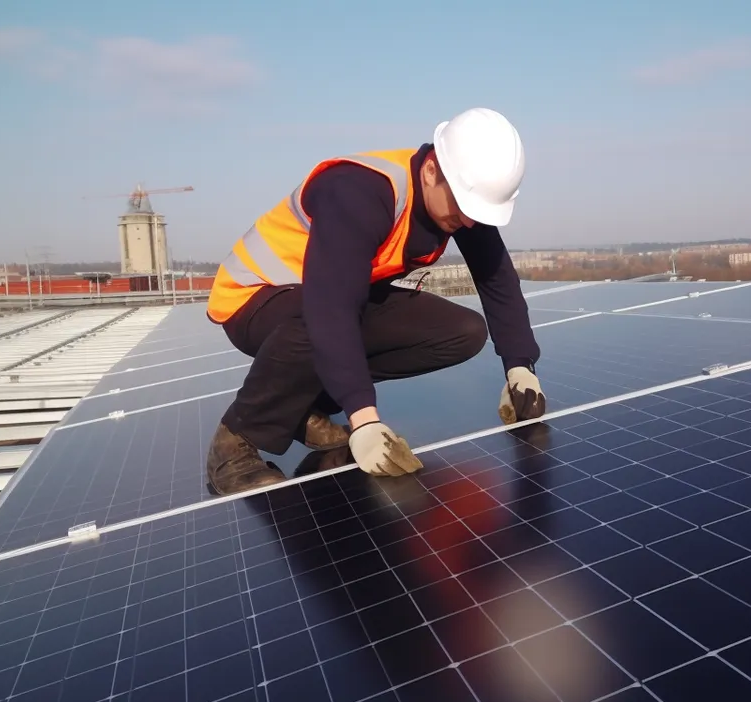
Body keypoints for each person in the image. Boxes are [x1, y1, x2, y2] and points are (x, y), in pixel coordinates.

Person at [202, 108, 548, 496]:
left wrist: (520, 367)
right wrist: (364, 418)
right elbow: (331, 309)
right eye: (464, 207)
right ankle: (234, 442)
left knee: (462, 332)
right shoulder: (360, 191)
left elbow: (496, 277)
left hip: (318, 298)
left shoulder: (457, 198)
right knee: (321, 325)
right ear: (431, 170)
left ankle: (302, 407)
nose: (469, 222)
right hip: (254, 298)